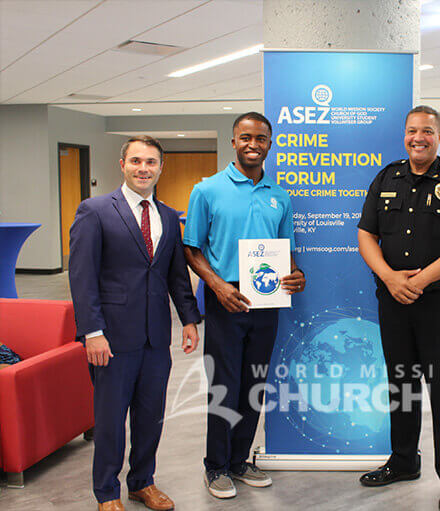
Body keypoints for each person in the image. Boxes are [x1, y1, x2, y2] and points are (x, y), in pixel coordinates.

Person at [357, 105, 440, 511]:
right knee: (400, 385)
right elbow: (366, 233)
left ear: (439, 136)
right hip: (394, 300)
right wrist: (391, 278)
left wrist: (421, 278)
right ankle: (403, 461)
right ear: (404, 135)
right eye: (413, 131)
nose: (419, 137)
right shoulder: (386, 177)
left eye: (427, 131)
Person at [69, 135, 201, 511]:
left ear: (161, 167)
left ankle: (142, 482)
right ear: (122, 164)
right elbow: (82, 277)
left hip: (156, 337)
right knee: (111, 421)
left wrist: (189, 320)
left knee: (151, 417)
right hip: (111, 337)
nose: (144, 168)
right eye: (136, 161)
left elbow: (176, 275)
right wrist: (92, 332)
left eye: (151, 162)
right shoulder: (94, 211)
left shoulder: (169, 216)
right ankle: (107, 492)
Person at [183, 112, 306, 499]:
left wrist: (296, 274)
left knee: (254, 382)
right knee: (224, 384)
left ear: (270, 144)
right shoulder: (207, 190)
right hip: (227, 299)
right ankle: (215, 466)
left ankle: (239, 460)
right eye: (246, 137)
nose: (254, 144)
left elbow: (285, 252)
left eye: (262, 138)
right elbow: (191, 248)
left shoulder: (278, 196)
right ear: (233, 141)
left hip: (268, 301)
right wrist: (217, 285)